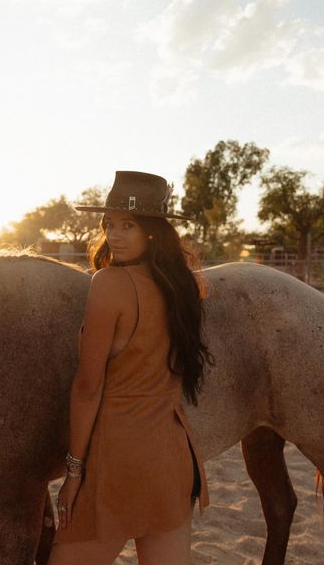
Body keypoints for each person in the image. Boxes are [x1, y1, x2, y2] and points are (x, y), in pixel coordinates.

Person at [47, 171, 211, 565]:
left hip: (118, 463)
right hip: (174, 459)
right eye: (109, 225)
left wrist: (73, 473)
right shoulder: (184, 288)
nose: (114, 236)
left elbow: (87, 387)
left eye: (128, 225)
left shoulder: (109, 284)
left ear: (151, 231)